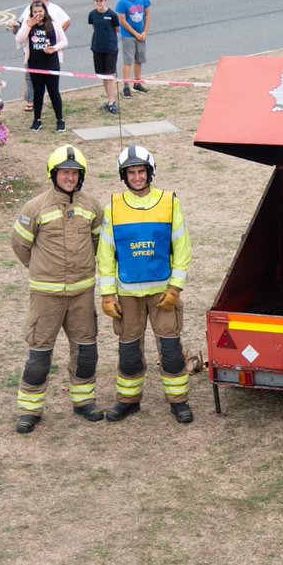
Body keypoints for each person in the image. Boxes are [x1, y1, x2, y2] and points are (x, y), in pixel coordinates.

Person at [10, 145, 105, 434]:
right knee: (39, 356)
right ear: (54, 174)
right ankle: (30, 410)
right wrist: (41, 269)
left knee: (86, 351)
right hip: (46, 296)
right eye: (65, 172)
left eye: (75, 173)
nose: (70, 177)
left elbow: (97, 242)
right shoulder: (34, 207)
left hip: (81, 294)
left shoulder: (92, 207)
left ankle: (83, 401)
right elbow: (20, 245)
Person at [97, 145, 194, 425]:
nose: (137, 177)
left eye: (141, 171)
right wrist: (106, 294)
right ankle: (128, 402)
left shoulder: (170, 202)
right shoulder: (113, 207)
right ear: (123, 176)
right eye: (131, 172)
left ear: (150, 173)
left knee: (171, 349)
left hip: (164, 293)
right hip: (128, 295)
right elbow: (105, 253)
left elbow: (182, 246)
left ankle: (179, 402)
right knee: (128, 351)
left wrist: (175, 288)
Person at [14, 0, 71, 112]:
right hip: (32, 55)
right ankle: (31, 103)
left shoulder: (54, 10)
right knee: (31, 82)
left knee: (52, 89)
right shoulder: (29, 11)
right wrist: (26, 26)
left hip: (50, 59)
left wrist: (53, 41)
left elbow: (66, 24)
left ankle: (59, 118)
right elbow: (20, 34)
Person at [116, 0, 151, 97]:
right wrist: (135, 34)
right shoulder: (122, 2)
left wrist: (145, 31)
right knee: (128, 61)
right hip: (128, 36)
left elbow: (147, 14)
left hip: (141, 34)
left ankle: (137, 82)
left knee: (139, 59)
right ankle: (126, 86)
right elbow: (123, 21)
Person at [87, 0, 121, 115]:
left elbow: (116, 29)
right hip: (97, 47)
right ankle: (109, 99)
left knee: (110, 75)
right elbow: (94, 27)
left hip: (110, 48)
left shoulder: (112, 15)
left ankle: (112, 102)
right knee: (102, 75)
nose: (98, 3)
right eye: (96, 0)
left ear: (105, 0)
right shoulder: (92, 14)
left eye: (100, 0)